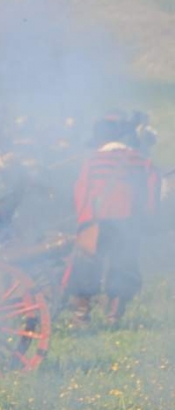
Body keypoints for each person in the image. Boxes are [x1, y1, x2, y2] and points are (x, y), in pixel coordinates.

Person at [64, 112, 159, 327]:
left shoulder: (92, 161)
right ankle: (114, 315)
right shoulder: (142, 161)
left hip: (97, 221)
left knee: (87, 264)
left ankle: (81, 314)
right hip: (129, 222)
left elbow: (81, 192)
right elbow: (151, 193)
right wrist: (146, 219)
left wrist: (83, 222)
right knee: (124, 265)